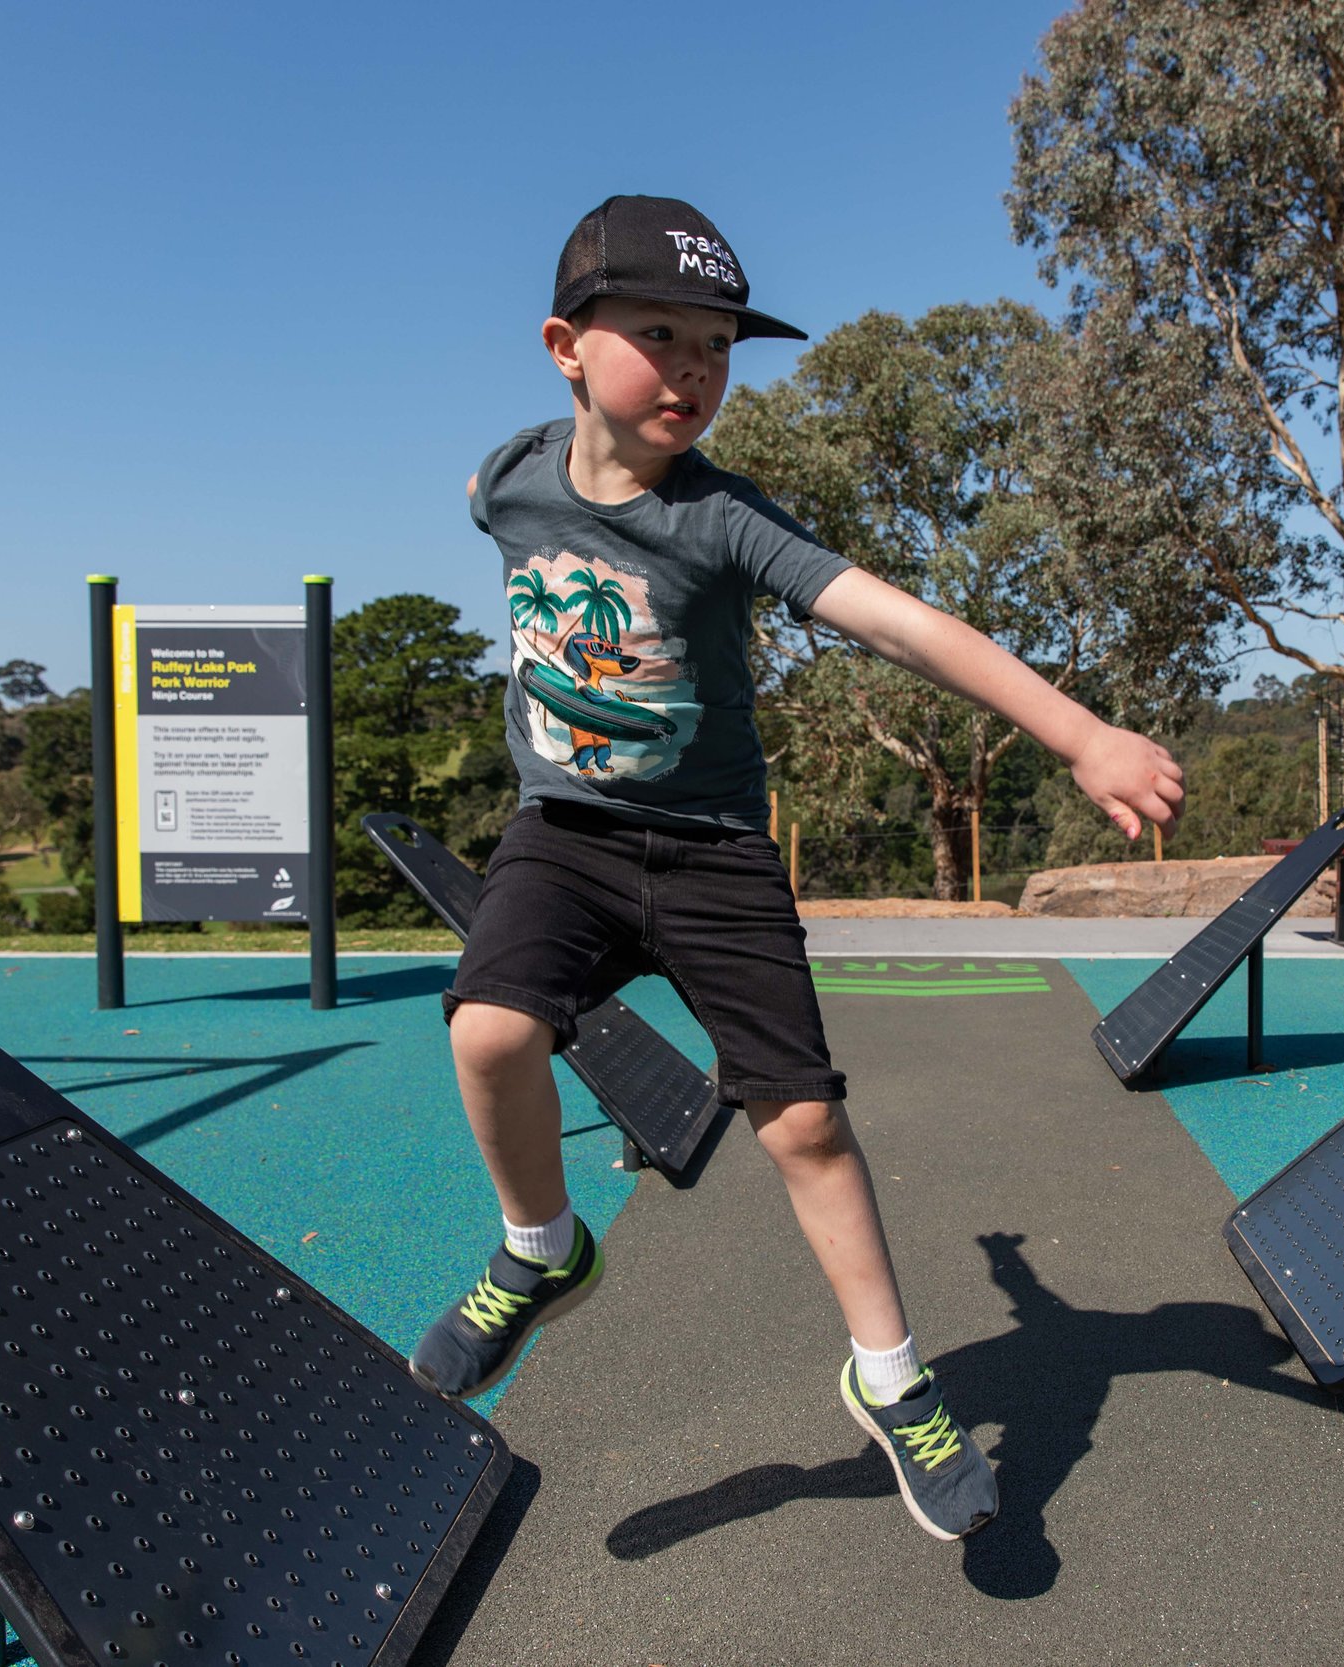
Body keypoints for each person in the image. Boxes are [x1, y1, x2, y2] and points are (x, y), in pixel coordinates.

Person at [412, 195, 1183, 1542]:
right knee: (487, 1032)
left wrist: (1081, 734)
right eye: (660, 335)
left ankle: (887, 1377)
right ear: (565, 345)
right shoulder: (503, 480)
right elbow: (504, 526)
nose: (697, 369)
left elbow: (903, 625)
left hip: (713, 854)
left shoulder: (724, 520)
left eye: (718, 346)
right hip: (566, 836)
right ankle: (542, 1248)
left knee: (806, 1124)